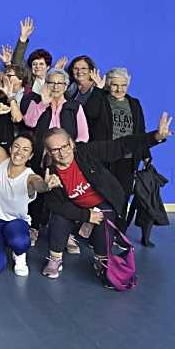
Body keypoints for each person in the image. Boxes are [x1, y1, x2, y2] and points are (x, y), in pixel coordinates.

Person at [41, 113, 171, 286]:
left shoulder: (86, 152)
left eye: (64, 146)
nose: (61, 153)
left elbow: (121, 145)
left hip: (102, 203)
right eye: (55, 149)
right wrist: (86, 215)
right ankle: (55, 259)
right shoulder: (51, 172)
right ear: (49, 152)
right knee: (58, 217)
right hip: (77, 208)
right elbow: (55, 204)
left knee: (104, 221)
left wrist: (155, 137)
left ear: (71, 144)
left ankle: (102, 262)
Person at [0, 103, 61, 276]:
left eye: (25, 150)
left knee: (20, 241)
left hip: (15, 222)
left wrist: (47, 185)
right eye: (16, 147)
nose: (19, 152)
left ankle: (19, 254)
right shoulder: (1, 158)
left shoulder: (30, 176)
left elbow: (39, 185)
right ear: (10, 149)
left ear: (30, 156)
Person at [22, 67, 89, 247]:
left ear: (66, 85)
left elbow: (83, 136)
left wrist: (68, 154)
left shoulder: (75, 107)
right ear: (46, 84)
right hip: (41, 156)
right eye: (52, 82)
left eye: (60, 83)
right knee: (38, 192)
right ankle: (33, 227)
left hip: (66, 158)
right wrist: (43, 103)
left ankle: (65, 233)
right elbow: (29, 122)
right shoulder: (37, 101)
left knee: (65, 195)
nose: (56, 86)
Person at [89, 68, 152, 238]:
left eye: (123, 85)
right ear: (108, 84)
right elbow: (90, 114)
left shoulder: (135, 103)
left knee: (123, 195)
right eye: (114, 85)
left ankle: (119, 232)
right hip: (106, 157)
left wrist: (146, 155)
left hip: (128, 158)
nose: (119, 89)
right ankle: (100, 232)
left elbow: (141, 131)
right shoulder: (101, 100)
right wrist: (98, 89)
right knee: (103, 194)